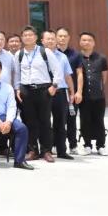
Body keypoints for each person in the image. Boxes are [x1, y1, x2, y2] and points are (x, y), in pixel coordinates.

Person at [14, 25, 64, 162]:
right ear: (22, 38)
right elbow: (17, 74)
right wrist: (17, 89)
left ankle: (46, 151)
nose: (28, 37)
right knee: (29, 121)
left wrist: (54, 86)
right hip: (26, 90)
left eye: (30, 35)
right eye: (25, 35)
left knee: (45, 121)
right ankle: (32, 150)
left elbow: (58, 70)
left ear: (36, 37)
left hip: (44, 90)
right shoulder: (19, 54)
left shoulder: (45, 52)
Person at [75, 32, 108, 155]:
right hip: (83, 96)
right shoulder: (77, 57)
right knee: (85, 120)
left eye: (89, 40)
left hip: (98, 96)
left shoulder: (101, 58)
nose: (86, 42)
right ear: (80, 42)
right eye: (84, 40)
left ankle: (101, 145)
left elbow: (104, 77)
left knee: (99, 120)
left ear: (94, 43)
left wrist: (99, 88)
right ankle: (87, 145)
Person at [43, 30, 75, 160]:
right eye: (48, 39)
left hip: (60, 92)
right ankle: (46, 150)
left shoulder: (62, 57)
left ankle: (62, 150)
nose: (50, 41)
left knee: (61, 122)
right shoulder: (38, 55)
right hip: (44, 91)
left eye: (52, 38)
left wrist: (72, 92)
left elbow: (67, 76)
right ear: (42, 41)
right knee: (45, 122)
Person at [56, 27, 82, 154]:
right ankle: (55, 144)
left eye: (65, 36)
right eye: (60, 36)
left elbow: (79, 74)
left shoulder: (75, 54)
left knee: (71, 118)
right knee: (57, 119)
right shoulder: (51, 53)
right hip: (56, 91)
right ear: (56, 37)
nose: (62, 38)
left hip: (71, 92)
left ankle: (73, 145)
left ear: (69, 38)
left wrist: (78, 92)